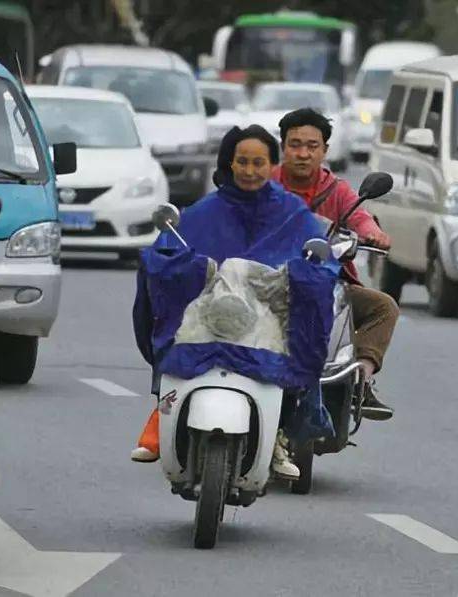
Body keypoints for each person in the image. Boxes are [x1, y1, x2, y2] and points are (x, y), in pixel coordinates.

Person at [129, 125, 338, 480]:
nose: (250, 170)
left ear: (272, 165)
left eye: (259, 162)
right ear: (230, 163)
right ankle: (162, 416)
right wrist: (177, 264)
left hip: (267, 320)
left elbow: (320, 261)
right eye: (242, 161)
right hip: (207, 317)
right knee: (178, 341)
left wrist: (299, 276)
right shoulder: (203, 212)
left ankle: (277, 433)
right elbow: (166, 250)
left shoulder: (292, 214)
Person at [272, 108, 398, 420]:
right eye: (295, 144)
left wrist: (373, 234)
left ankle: (360, 381)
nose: (303, 154)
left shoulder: (337, 190)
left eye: (312, 146)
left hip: (326, 286)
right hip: (267, 283)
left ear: (325, 151)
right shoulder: (265, 185)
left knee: (384, 307)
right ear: (282, 147)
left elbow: (360, 218)